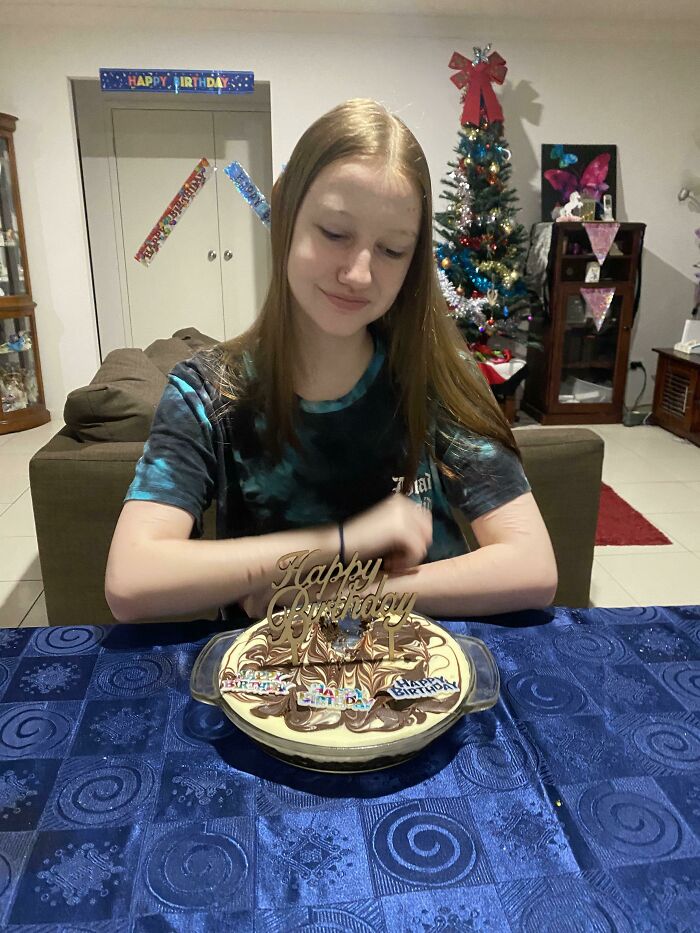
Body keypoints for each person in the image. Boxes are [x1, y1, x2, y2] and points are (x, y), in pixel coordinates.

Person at [105, 98, 557, 625]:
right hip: (273, 683)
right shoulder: (207, 392)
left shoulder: (432, 376)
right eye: (335, 234)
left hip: (422, 675)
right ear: (286, 216)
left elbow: (533, 567)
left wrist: (335, 596)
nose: (360, 274)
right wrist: (340, 543)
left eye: (392, 250)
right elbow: (131, 582)